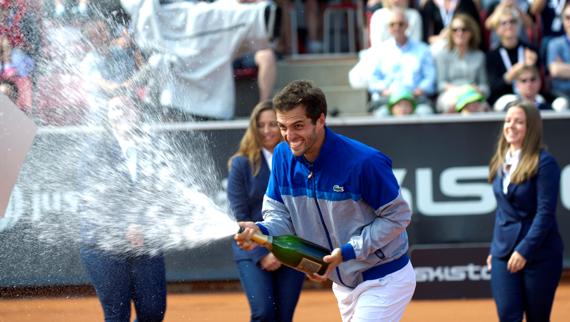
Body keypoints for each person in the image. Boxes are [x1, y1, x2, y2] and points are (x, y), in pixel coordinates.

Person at [235, 80, 416, 321]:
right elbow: (279, 215)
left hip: (384, 278)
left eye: (298, 126)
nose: (289, 136)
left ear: (320, 120)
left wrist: (350, 251)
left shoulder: (364, 162)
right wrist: (261, 229)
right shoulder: (281, 156)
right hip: (342, 284)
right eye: (283, 127)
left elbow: (399, 216)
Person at [77, 95, 167, 322]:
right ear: (108, 116)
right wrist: (125, 226)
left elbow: (164, 192)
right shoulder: (94, 150)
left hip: (146, 242)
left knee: (153, 311)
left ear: (138, 113)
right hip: (102, 245)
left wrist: (142, 224)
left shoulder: (153, 146)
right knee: (117, 315)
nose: (121, 112)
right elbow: (94, 196)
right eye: (115, 108)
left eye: (127, 107)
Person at [486, 100, 564, 322]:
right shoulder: (500, 162)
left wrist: (524, 251)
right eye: (508, 120)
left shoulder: (545, 164)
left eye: (519, 122)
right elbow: (502, 212)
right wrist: (495, 248)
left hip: (539, 254)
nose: (511, 126)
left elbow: (545, 214)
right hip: (503, 253)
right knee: (508, 315)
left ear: (531, 129)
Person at [227, 100, 305, 322]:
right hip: (252, 250)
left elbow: (303, 211)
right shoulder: (241, 164)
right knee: (263, 313)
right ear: (254, 127)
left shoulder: (299, 161)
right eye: (261, 125)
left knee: (284, 317)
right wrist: (263, 253)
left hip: (291, 249)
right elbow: (239, 216)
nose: (267, 130)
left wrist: (282, 251)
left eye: (273, 124)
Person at [367, 8, 436, 114]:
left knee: (425, 113)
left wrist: (420, 90)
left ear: (407, 25)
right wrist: (384, 90)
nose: (397, 27)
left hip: (415, 98)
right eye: (392, 24)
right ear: (388, 28)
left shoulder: (423, 49)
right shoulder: (380, 51)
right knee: (382, 114)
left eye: (401, 24)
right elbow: (372, 79)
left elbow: (430, 77)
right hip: (389, 99)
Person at [434, 13, 488, 113]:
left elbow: (485, 87)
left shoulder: (479, 56)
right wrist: (460, 91)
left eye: (464, 29)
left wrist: (476, 89)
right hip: (451, 94)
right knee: (452, 103)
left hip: (473, 95)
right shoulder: (442, 55)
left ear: (471, 32)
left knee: (481, 107)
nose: (460, 33)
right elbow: (441, 84)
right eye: (455, 30)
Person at [485, 7, 539, 106]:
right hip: (504, 99)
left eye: (513, 21)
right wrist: (519, 69)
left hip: (530, 96)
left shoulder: (531, 50)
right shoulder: (492, 55)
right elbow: (494, 87)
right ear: (497, 29)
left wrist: (531, 68)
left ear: (518, 25)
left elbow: (540, 82)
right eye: (504, 23)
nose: (509, 25)